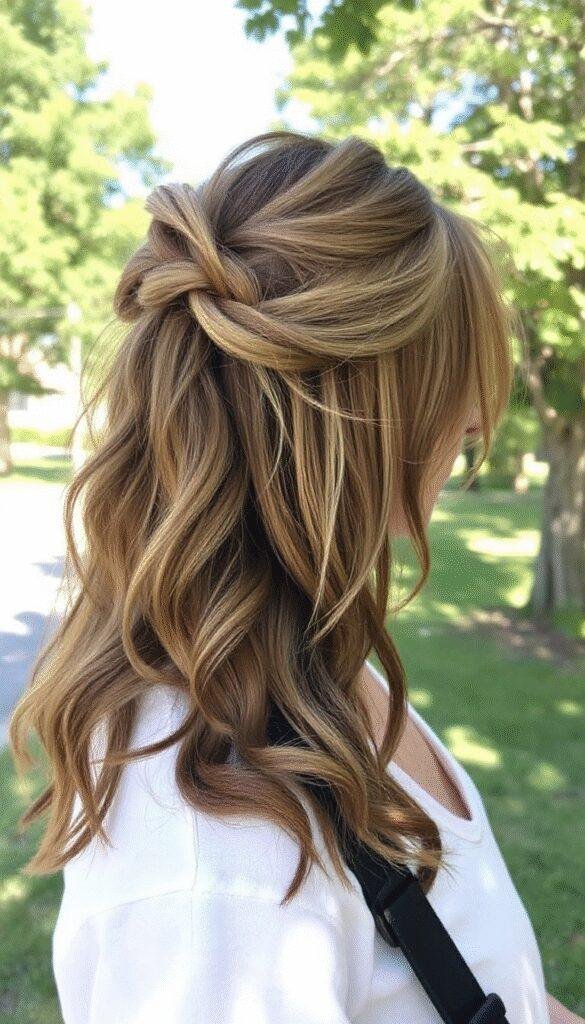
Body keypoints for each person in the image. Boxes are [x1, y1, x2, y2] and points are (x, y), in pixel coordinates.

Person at [9, 129, 582, 1024]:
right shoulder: (214, 866)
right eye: (447, 377)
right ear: (352, 420)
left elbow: (471, 978)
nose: (475, 417)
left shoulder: (306, 672)